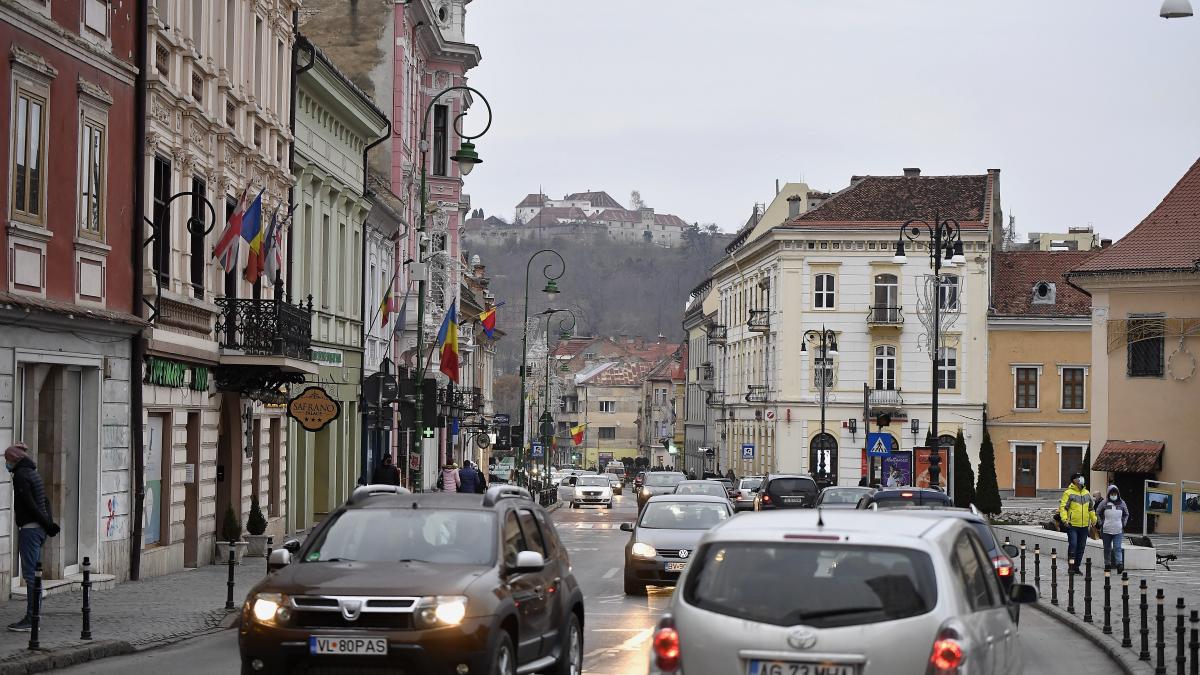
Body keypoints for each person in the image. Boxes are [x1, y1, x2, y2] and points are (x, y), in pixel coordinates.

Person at [5, 443, 60, 632]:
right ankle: (34, 615)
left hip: (30, 530)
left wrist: (47, 524)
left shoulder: (20, 476)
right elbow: (45, 500)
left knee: (30, 577)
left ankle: (31, 618)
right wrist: (48, 525)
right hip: (38, 530)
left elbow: (30, 504)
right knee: (35, 576)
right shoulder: (32, 472)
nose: (6, 463)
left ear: (14, 460)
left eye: (7, 460)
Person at [1059, 472, 1097, 575]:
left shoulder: (1087, 493)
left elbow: (1091, 508)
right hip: (1072, 525)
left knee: (1081, 547)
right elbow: (1063, 508)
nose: (1080, 479)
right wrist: (1065, 519)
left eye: (1081, 477)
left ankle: (1076, 567)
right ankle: (1071, 567)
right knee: (1073, 544)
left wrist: (1094, 519)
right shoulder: (1068, 493)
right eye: (1077, 477)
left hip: (1084, 525)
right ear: (1073, 481)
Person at [1096, 484, 1130, 573]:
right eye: (1112, 493)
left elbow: (1126, 514)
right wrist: (1101, 523)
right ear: (1108, 494)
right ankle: (1107, 564)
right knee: (1107, 548)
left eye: (1115, 493)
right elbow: (1098, 512)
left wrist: (1123, 523)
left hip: (1118, 530)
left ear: (1118, 494)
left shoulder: (1122, 503)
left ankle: (1119, 564)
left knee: (1117, 548)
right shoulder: (1104, 503)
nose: (1113, 495)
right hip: (1106, 530)